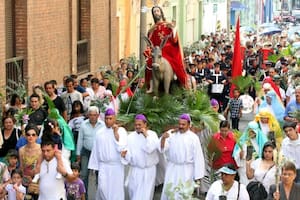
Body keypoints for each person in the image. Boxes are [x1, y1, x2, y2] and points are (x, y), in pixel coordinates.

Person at [159, 113, 205, 200]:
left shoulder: (193, 138)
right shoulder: (172, 134)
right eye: (179, 124)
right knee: (170, 190)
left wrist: (198, 176)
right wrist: (163, 138)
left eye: (183, 124)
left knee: (183, 193)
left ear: (189, 125)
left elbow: (198, 157)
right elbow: (162, 149)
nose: (181, 126)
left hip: (187, 170)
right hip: (172, 168)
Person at [144, 6, 187, 91]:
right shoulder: (152, 29)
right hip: (157, 51)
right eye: (154, 12)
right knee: (149, 63)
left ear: (161, 12)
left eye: (157, 11)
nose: (156, 13)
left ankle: (180, 80)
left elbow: (174, 40)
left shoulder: (168, 25)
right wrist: (148, 51)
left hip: (168, 49)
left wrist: (174, 29)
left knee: (176, 63)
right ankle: (151, 85)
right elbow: (150, 43)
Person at [88, 108, 127, 200]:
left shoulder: (121, 131)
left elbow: (122, 147)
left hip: (116, 166)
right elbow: (95, 150)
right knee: (102, 188)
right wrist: (94, 167)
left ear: (115, 119)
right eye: (106, 118)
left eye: (110, 118)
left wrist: (115, 133)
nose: (108, 121)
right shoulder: (99, 132)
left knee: (116, 190)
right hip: (103, 166)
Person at [121, 114, 159, 200]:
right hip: (136, 171)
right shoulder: (130, 137)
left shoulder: (152, 135)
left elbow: (151, 148)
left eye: (139, 125)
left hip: (149, 171)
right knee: (134, 193)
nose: (137, 127)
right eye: (136, 125)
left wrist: (146, 135)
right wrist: (125, 155)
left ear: (145, 124)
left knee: (146, 196)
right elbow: (128, 154)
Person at [76, 106, 104, 197]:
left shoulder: (102, 125)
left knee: (99, 175)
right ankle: (85, 197)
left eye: (94, 115)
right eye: (90, 115)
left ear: (98, 115)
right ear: (88, 115)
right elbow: (80, 139)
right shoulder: (83, 124)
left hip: (98, 153)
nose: (92, 117)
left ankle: (100, 196)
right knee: (84, 174)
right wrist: (78, 154)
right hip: (86, 152)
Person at [233, 121, 268, 185]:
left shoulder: (262, 141)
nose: (252, 133)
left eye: (253, 132)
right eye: (250, 131)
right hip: (244, 167)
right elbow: (236, 153)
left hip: (257, 168)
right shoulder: (242, 141)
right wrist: (240, 154)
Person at [18, 125, 41, 200]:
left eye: (33, 135)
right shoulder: (21, 150)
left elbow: (40, 167)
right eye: (28, 134)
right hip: (25, 180)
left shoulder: (41, 149)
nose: (31, 136)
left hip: (38, 181)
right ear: (25, 136)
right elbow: (21, 167)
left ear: (37, 136)